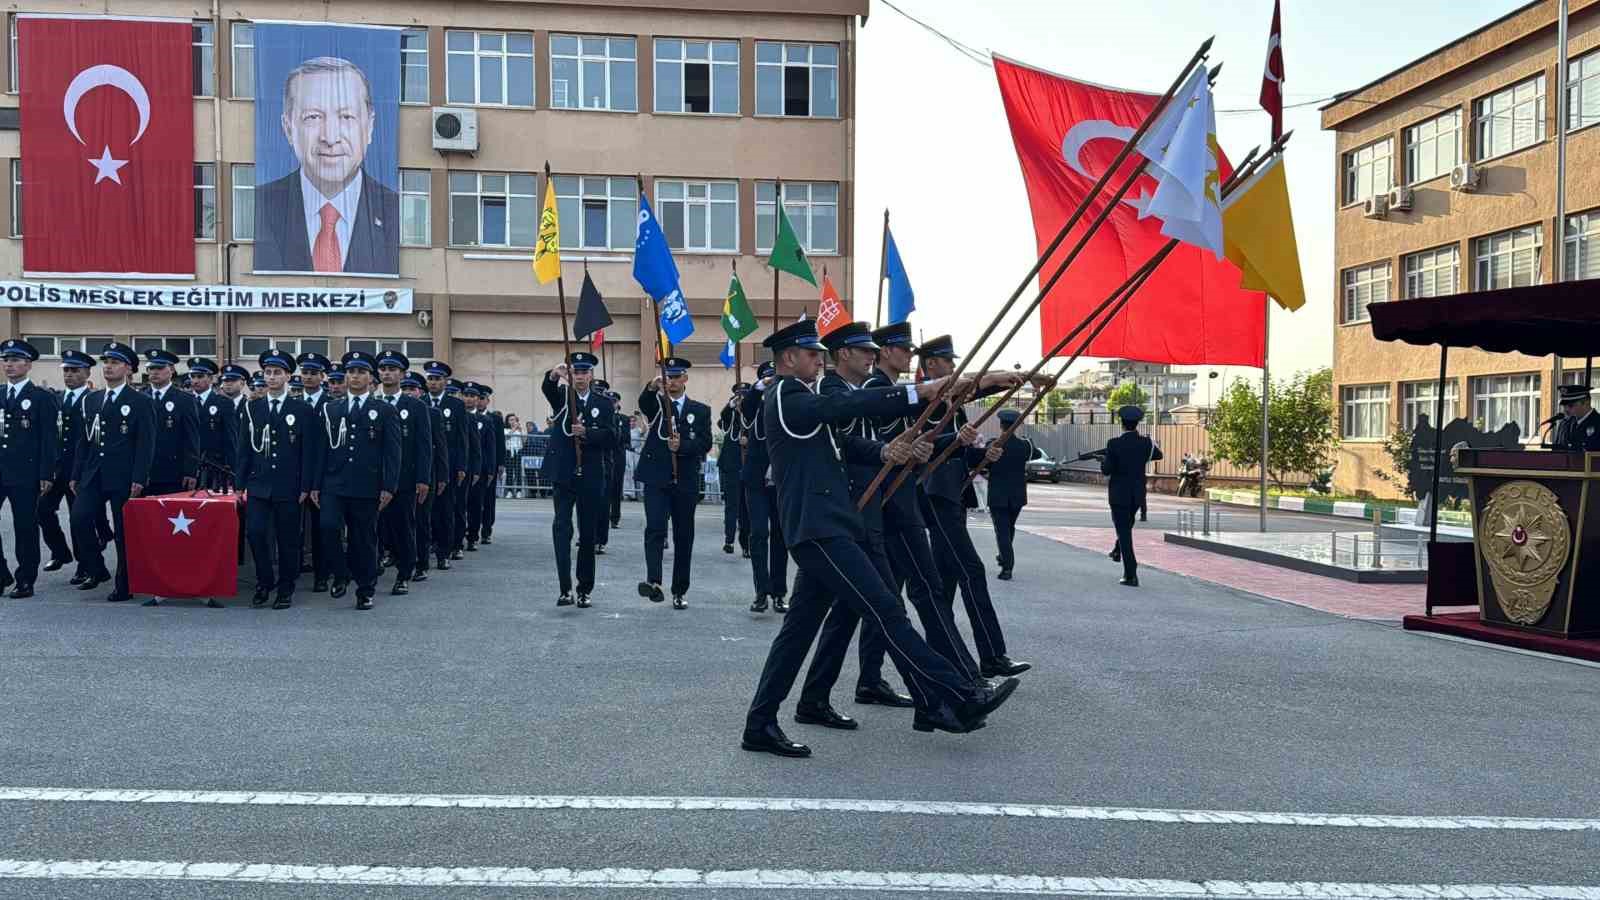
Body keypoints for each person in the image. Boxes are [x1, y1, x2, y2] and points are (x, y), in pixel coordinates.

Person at [740, 319, 1022, 759]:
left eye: (820, 353)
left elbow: (844, 445)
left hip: (828, 526)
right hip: (819, 529)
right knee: (886, 608)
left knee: (798, 632)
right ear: (788, 358)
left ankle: (761, 723)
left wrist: (886, 451)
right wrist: (921, 392)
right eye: (813, 354)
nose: (820, 359)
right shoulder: (786, 395)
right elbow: (841, 412)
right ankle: (956, 695)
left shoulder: (803, 398)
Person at [796, 322, 920, 723]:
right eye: (864, 350)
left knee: (845, 611)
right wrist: (884, 449)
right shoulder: (833, 392)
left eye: (873, 350)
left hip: (862, 512)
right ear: (843, 355)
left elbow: (864, 435)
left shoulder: (853, 392)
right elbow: (848, 441)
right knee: (885, 603)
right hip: (845, 516)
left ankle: (817, 698)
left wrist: (892, 449)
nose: (873, 355)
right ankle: (942, 693)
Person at [864, 322, 986, 697]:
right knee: (925, 590)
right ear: (886, 351)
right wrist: (907, 450)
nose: (908, 356)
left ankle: (865, 681)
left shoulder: (895, 390)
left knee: (880, 600)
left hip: (901, 500)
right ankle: (963, 680)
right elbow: (880, 444)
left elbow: (913, 440)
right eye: (903, 350)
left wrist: (926, 446)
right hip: (891, 504)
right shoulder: (876, 390)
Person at [917, 336, 1032, 679]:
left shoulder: (953, 403)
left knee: (947, 580)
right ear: (931, 365)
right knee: (972, 572)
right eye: (947, 362)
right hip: (935, 495)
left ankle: (942, 652)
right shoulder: (925, 403)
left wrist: (981, 455)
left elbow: (956, 453)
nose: (953, 367)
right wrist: (957, 440)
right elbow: (922, 446)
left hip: (953, 494)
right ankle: (992, 655)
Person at [252, 56, 400, 275]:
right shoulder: (258, 207)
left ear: (369, 127)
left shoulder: (397, 211)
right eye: (313, 117)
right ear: (288, 128)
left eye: (346, 117)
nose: (330, 137)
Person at [312, 350, 401, 609]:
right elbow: (321, 450)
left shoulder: (383, 410)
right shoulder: (331, 408)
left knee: (364, 539)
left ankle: (365, 588)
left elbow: (392, 452)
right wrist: (315, 484)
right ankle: (340, 573)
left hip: (367, 485)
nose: (355, 376)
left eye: (361, 372)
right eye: (351, 372)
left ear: (370, 377)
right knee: (328, 528)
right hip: (333, 483)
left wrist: (388, 486)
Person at [70, 342, 156, 604]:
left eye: (115, 362)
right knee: (79, 519)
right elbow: (84, 440)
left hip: (124, 475)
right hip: (93, 473)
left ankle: (125, 583)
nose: (108, 366)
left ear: (128, 368)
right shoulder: (92, 399)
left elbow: (146, 443)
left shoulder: (141, 401)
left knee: (123, 532)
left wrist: (140, 477)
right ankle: (97, 568)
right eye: (106, 362)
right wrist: (76, 473)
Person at [237, 348, 321, 609]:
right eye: (267, 373)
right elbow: (244, 449)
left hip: (289, 485)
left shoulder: (302, 409)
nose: (271, 377)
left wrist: (306, 485)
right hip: (258, 483)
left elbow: (310, 452)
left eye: (277, 373)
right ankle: (264, 581)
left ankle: (286, 587)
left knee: (287, 539)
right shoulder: (253, 408)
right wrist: (240, 484)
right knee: (256, 532)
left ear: (287, 376)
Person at [635, 357, 712, 609]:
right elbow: (644, 402)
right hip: (656, 477)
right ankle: (654, 581)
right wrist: (651, 387)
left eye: (676, 377)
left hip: (685, 480)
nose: (672, 382)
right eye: (668, 377)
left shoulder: (699, 410)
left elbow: (705, 443)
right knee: (655, 527)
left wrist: (683, 447)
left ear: (685, 379)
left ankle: (679, 589)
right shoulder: (657, 405)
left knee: (683, 535)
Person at [541, 353, 615, 607]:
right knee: (561, 528)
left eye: (584, 372)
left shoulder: (603, 403)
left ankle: (584, 588)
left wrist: (588, 433)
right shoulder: (563, 397)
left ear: (591, 375)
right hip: (563, 472)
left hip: (591, 474)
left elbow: (612, 437)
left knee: (587, 533)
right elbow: (548, 388)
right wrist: (553, 375)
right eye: (575, 373)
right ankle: (565, 588)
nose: (580, 377)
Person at [39, 350, 111, 586]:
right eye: (66, 371)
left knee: (78, 518)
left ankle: (84, 565)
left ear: (87, 373)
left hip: (80, 469)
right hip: (56, 468)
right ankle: (60, 551)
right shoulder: (56, 399)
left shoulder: (92, 400)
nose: (69, 375)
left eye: (75, 371)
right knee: (42, 509)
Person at [0, 339, 60, 599]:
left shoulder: (41, 398)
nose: (9, 364)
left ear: (28, 364)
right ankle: (2, 573)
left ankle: (26, 579)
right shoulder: (0, 393)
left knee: (25, 526)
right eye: (5, 360)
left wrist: (47, 473)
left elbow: (49, 439)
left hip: (26, 472)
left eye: (15, 360)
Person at [375, 351, 432, 596]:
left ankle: (404, 572)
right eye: (383, 368)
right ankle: (374, 565)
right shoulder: (371, 403)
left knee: (404, 526)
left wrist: (423, 478)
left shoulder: (415, 406)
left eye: (393, 369)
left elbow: (423, 445)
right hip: (373, 478)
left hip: (405, 479)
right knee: (374, 527)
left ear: (402, 374)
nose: (387, 373)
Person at [741, 361, 789, 613]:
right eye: (768, 378)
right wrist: (760, 387)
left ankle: (779, 592)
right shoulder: (755, 405)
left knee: (781, 536)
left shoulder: (786, 403)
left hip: (782, 480)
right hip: (757, 479)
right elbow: (746, 409)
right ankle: (761, 590)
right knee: (758, 534)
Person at [1101, 404, 1163, 587]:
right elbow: (1158, 455)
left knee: (1124, 532)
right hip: (1137, 495)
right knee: (1126, 527)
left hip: (1119, 495)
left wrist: (1104, 460)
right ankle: (1116, 550)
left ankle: (1131, 573)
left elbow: (1107, 470)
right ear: (1137, 423)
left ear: (1122, 423)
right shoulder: (1145, 443)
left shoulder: (1114, 444)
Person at [986, 409, 1043, 581]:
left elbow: (983, 463)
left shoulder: (993, 444)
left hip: (998, 495)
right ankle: (1004, 556)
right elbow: (1038, 454)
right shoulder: (1025, 446)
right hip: (1017, 495)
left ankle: (1007, 567)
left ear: (1001, 425)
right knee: (1009, 528)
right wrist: (1029, 442)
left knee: (1002, 531)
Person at [423, 361, 469, 571]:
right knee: (425, 513)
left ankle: (445, 552)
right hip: (423, 467)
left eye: (437, 379)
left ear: (445, 381)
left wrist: (461, 467)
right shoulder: (420, 401)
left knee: (445, 510)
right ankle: (426, 547)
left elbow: (462, 439)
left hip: (447, 467)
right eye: (430, 378)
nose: (433, 383)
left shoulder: (456, 405)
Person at [140, 349, 201, 500]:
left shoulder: (184, 400)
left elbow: (191, 438)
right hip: (143, 472)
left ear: (171, 370)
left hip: (173, 472)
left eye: (159, 368)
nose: (154, 372)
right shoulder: (139, 398)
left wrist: (191, 471)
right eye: (151, 368)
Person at [405, 373, 448, 583]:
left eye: (412, 388)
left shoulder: (431, 413)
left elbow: (439, 448)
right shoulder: (391, 409)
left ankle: (422, 563)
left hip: (424, 475)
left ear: (420, 392)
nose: (408, 392)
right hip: (398, 476)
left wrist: (441, 476)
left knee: (421, 522)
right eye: (405, 388)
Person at [187, 357, 238, 492]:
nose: (195, 380)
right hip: (186, 468)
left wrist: (232, 470)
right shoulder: (184, 401)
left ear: (210, 379)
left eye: (200, 376)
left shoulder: (223, 403)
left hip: (214, 468)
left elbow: (230, 439)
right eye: (192, 376)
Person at [717, 384, 751, 557]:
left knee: (746, 508)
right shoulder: (730, 415)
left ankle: (746, 544)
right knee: (731, 505)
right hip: (731, 467)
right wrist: (730, 406)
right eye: (738, 397)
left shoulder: (753, 414)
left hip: (749, 467)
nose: (741, 400)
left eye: (744, 396)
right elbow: (722, 419)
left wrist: (748, 440)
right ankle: (729, 540)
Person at [479, 385, 505, 544]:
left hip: (490, 464)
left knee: (488, 499)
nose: (480, 401)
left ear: (488, 401)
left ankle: (487, 529)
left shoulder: (495, 419)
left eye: (483, 398)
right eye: (478, 398)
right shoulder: (467, 416)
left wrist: (500, 463)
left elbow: (500, 443)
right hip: (472, 464)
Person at [1554, 384, 1600, 451]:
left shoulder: (1597, 423)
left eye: (1570, 405)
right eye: (1564, 405)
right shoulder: (1564, 424)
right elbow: (1556, 453)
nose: (1566, 409)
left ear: (1586, 402)